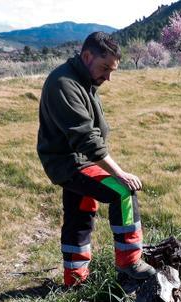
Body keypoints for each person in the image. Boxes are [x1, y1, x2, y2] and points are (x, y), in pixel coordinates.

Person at [37, 32, 156, 287]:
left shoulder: (84, 81)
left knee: (79, 216)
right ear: (87, 55)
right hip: (71, 163)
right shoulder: (64, 83)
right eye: (105, 68)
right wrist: (119, 173)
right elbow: (86, 138)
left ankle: (75, 281)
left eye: (112, 70)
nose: (108, 77)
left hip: (78, 161)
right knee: (122, 191)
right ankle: (129, 262)